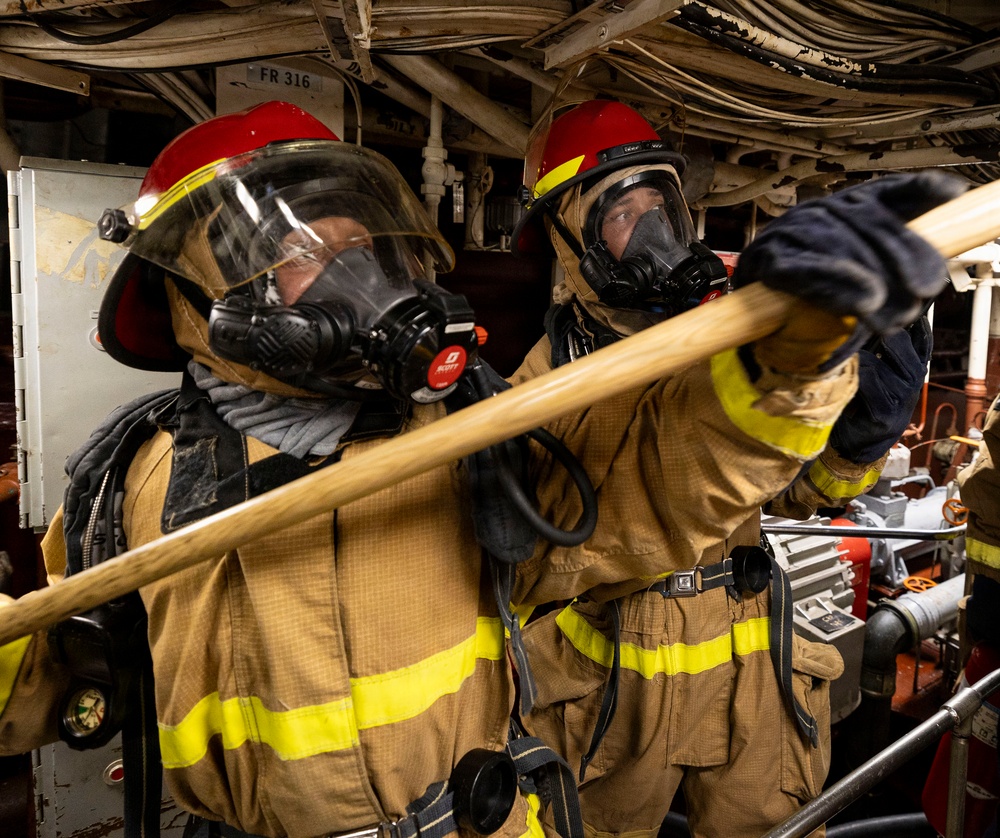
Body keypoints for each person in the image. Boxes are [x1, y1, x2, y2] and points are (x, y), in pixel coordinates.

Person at [0, 101, 566, 838]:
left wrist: (764, 368)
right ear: (199, 304)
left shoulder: (472, 433)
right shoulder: (133, 483)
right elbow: (50, 685)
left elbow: (653, 512)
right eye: (300, 253)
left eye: (360, 246)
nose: (354, 278)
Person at [505, 99, 963, 837]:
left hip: (753, 652)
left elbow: (802, 493)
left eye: (661, 203)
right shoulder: (544, 385)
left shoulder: (722, 343)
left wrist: (857, 443)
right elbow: (554, 551)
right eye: (620, 213)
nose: (652, 228)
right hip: (613, 685)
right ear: (569, 239)